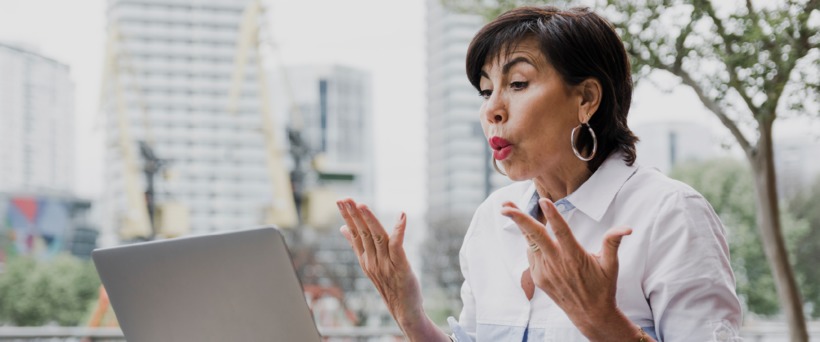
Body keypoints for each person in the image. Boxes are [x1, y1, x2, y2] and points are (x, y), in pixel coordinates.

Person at [336, 6, 742, 342]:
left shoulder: (670, 214)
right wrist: (412, 318)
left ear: (586, 99)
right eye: (484, 90)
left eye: (517, 83)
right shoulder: (492, 219)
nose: (492, 109)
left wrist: (603, 322)